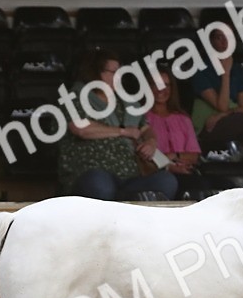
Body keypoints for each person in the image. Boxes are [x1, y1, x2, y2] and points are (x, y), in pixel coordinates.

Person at [58, 49, 178, 200]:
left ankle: (124, 201)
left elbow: (146, 128)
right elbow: (81, 129)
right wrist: (123, 132)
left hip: (129, 178)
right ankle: (125, 202)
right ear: (95, 73)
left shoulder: (124, 101)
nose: (118, 77)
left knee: (167, 181)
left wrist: (151, 142)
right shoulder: (74, 97)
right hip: (90, 174)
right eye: (113, 72)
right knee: (100, 183)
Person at [187, 27, 243, 159]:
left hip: (227, 121)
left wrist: (222, 115)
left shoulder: (237, 69)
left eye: (228, 37)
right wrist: (226, 73)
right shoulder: (201, 69)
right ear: (211, 42)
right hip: (208, 126)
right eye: (219, 37)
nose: (224, 42)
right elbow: (221, 105)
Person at [143, 68, 212, 197]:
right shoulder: (142, 118)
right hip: (157, 174)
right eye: (157, 84)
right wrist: (169, 165)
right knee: (197, 186)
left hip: (186, 171)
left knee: (224, 184)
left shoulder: (182, 118)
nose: (162, 89)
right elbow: (143, 156)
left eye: (167, 85)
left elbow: (194, 155)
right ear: (148, 87)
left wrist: (174, 155)